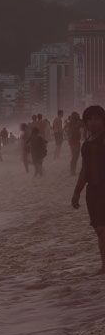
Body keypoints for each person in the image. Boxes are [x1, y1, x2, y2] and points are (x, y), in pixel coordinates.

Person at [70, 105, 105, 273]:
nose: (93, 122)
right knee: (99, 230)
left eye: (97, 118)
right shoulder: (87, 144)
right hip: (93, 191)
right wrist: (77, 192)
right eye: (89, 119)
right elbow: (84, 170)